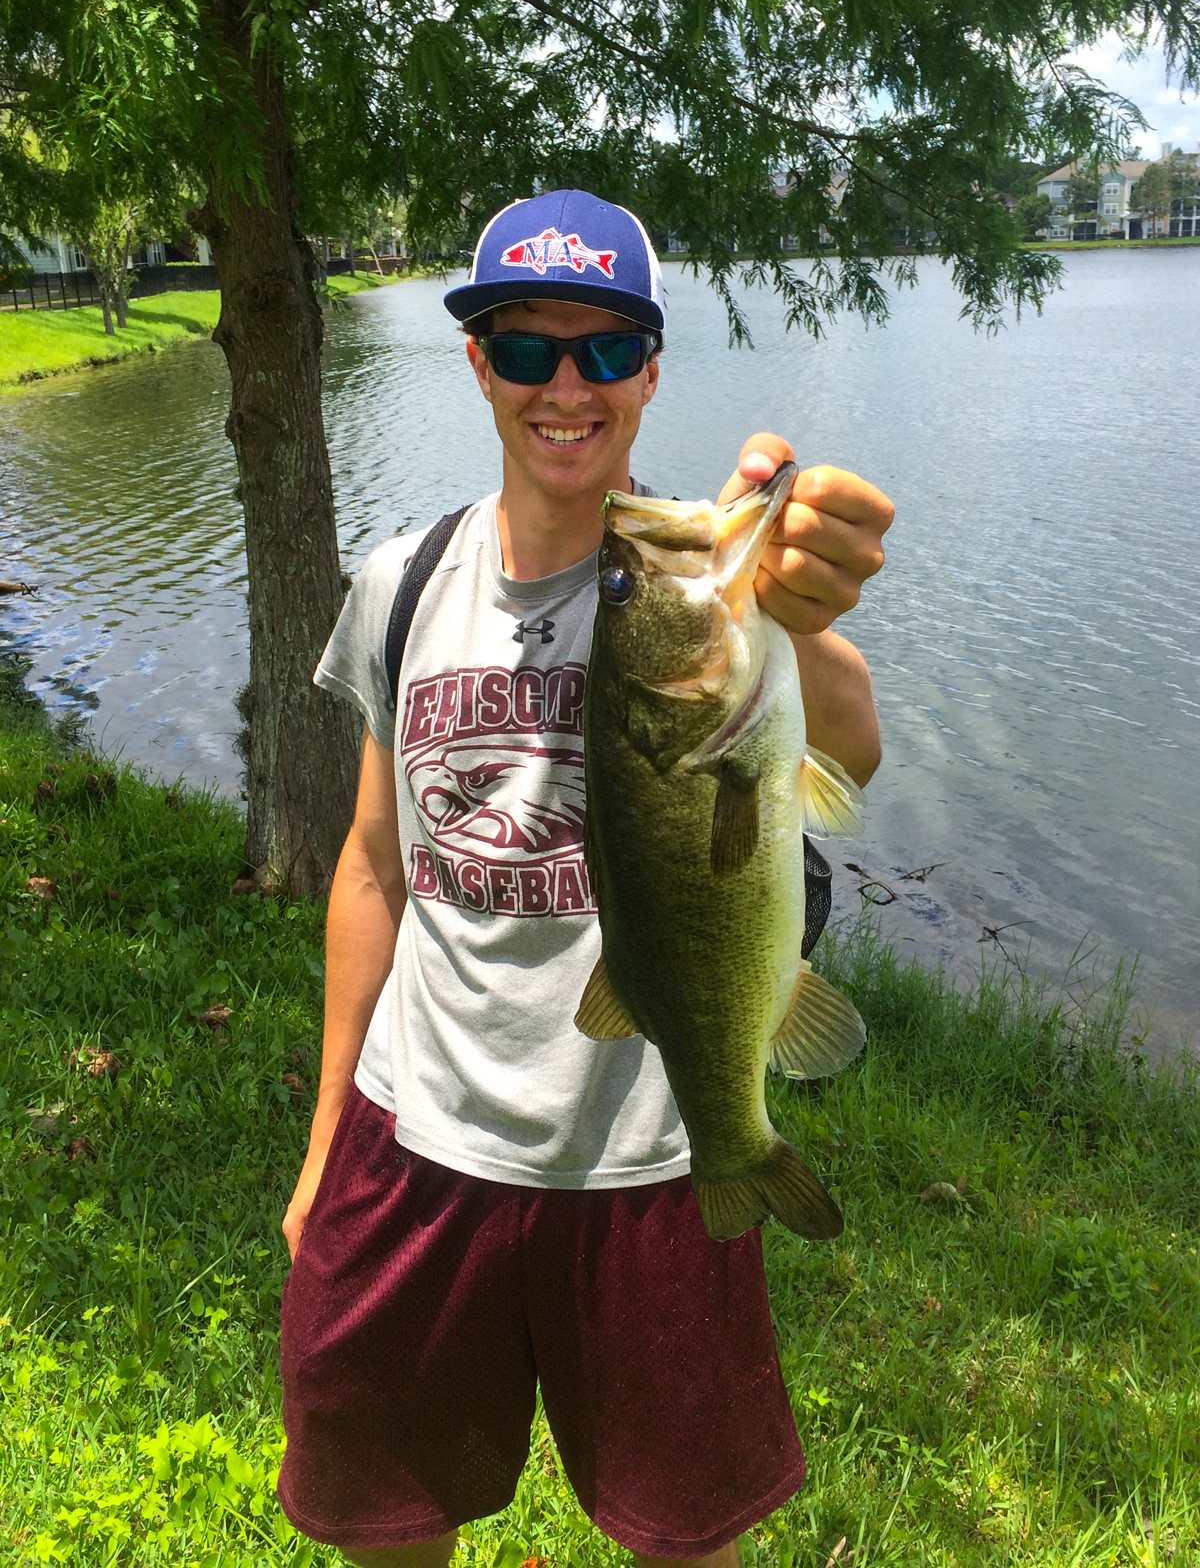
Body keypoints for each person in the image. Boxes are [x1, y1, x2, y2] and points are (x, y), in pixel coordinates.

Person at [278, 190, 894, 1568]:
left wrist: (804, 604)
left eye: (606, 351)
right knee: (386, 1516)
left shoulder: (711, 587)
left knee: (684, 1538)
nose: (568, 386)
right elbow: (375, 870)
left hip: (654, 1157)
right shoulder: (402, 582)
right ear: (479, 365)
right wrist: (327, 1138)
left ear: (652, 370)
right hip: (417, 1138)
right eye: (525, 347)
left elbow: (845, 735)